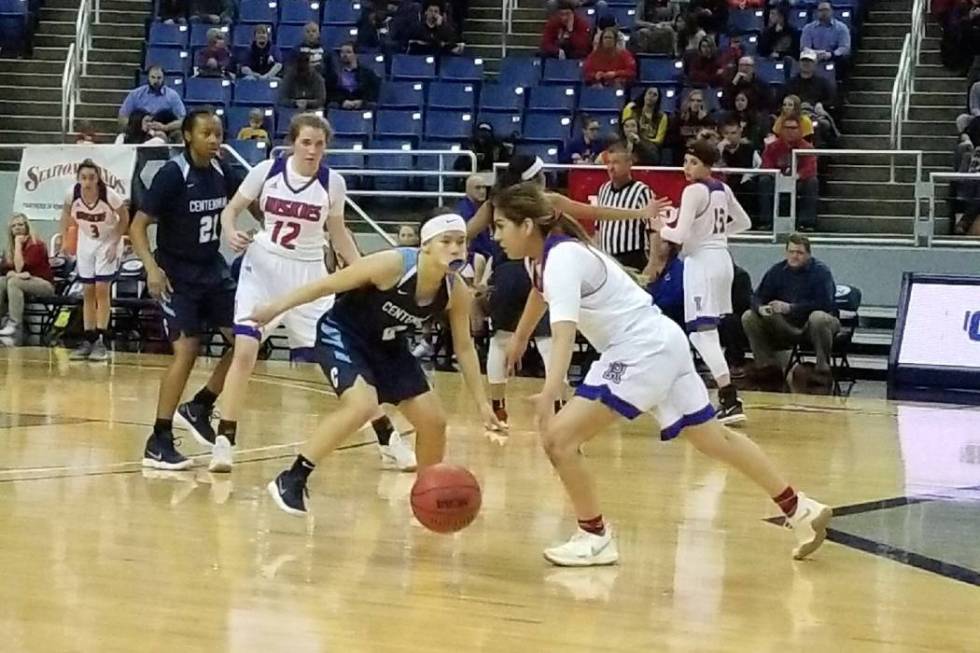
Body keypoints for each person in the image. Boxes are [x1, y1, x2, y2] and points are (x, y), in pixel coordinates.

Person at [491, 181, 831, 566]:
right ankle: (799, 507)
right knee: (713, 438)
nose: (495, 236)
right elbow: (541, 291)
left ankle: (595, 535)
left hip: (641, 349)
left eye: (501, 226)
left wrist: (553, 390)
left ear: (525, 226)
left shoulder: (563, 258)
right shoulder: (542, 258)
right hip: (662, 342)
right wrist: (520, 337)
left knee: (558, 439)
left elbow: (564, 327)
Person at [244, 213, 505, 515]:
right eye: (446, 241)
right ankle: (291, 478)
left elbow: (464, 347)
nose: (455, 248)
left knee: (434, 422)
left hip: (388, 347)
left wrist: (483, 404)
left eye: (461, 242)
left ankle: (427, 498)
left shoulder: (456, 291)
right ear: (426, 247)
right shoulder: (392, 265)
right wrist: (273, 308)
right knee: (361, 405)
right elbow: (326, 285)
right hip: (343, 334)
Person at [129, 109, 241, 470]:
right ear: (189, 136)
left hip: (213, 270)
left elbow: (254, 199)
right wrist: (152, 269)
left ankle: (200, 406)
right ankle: (159, 439)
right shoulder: (172, 174)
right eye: (207, 133)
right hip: (177, 274)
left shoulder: (224, 170)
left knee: (245, 343)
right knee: (187, 350)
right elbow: (137, 226)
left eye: (218, 133)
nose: (214, 139)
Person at [651, 140, 750, 424]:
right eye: (685, 161)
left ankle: (730, 399)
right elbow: (744, 223)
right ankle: (722, 398)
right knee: (707, 333)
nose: (687, 167)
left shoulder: (693, 190)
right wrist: (713, 236)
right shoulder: (723, 188)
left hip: (702, 264)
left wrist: (661, 228)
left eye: (693, 162)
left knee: (700, 333)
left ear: (707, 164)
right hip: (722, 259)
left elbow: (679, 236)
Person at [742, 234, 839, 384]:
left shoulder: (821, 272)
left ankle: (823, 370)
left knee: (818, 317)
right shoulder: (777, 271)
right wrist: (761, 308)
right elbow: (756, 297)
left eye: (799, 253)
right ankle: (766, 367)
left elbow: (825, 304)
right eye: (791, 252)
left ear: (808, 254)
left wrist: (790, 308)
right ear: (786, 252)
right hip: (785, 326)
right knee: (749, 316)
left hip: (814, 325)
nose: (795, 256)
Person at [59, 160, 130, 361]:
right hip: (86, 242)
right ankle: (88, 338)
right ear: (78, 179)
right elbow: (65, 215)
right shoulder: (71, 194)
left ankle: (101, 339)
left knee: (101, 289)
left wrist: (116, 240)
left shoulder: (109, 195)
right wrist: (64, 239)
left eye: (92, 177)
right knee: (87, 291)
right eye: (84, 177)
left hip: (107, 241)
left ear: (98, 178)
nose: (88, 181)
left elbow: (124, 217)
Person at [595, 142, 653, 270]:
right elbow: (598, 228)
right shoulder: (603, 189)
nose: (610, 167)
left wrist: (653, 263)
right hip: (608, 258)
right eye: (608, 162)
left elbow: (653, 230)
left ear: (629, 164)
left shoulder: (641, 191)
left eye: (616, 162)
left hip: (633, 258)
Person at [0, 214, 54, 345]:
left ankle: (15, 325)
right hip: (22, 282)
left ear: (27, 226)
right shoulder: (9, 249)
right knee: (1, 282)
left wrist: (18, 245)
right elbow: (6, 270)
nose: (17, 228)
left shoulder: (37, 245)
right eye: (14, 226)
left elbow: (20, 267)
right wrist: (13, 274)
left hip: (44, 285)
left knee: (14, 282)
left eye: (20, 225)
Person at [759, 116, 818, 231]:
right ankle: (765, 221)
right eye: (786, 128)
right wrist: (777, 175)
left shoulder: (807, 147)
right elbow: (766, 164)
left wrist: (797, 176)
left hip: (798, 180)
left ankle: (806, 223)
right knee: (764, 180)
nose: (790, 131)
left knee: (812, 182)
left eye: (793, 128)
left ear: (800, 130)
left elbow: (810, 167)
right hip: (776, 179)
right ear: (781, 130)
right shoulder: (772, 147)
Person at [118, 66, 186, 138]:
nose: (156, 81)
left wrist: (165, 127)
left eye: (159, 78)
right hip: (140, 130)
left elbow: (182, 120)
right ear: (148, 78)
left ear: (163, 79)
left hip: (164, 131)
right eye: (153, 77)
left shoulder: (172, 96)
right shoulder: (135, 94)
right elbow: (122, 117)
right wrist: (137, 125)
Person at [800, 1, 851, 75]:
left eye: (826, 10)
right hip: (813, 57)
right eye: (821, 10)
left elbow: (845, 48)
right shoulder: (808, 28)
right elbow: (804, 47)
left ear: (832, 11)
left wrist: (831, 54)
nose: (823, 13)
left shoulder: (842, 28)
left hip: (833, 57)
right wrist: (815, 53)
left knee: (843, 60)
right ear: (817, 12)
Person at [327, 42, 381, 110]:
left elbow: (373, 92)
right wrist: (342, 101)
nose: (344, 55)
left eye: (348, 52)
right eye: (342, 52)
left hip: (362, 104)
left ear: (356, 55)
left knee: (372, 105)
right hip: (341, 104)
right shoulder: (334, 74)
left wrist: (361, 102)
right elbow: (331, 93)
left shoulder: (367, 74)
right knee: (332, 106)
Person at [622, 87, 668, 162]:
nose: (651, 96)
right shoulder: (631, 109)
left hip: (650, 145)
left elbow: (659, 140)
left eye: (655, 95)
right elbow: (625, 126)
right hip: (630, 140)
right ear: (644, 95)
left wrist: (641, 141)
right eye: (649, 93)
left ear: (658, 99)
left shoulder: (662, 117)